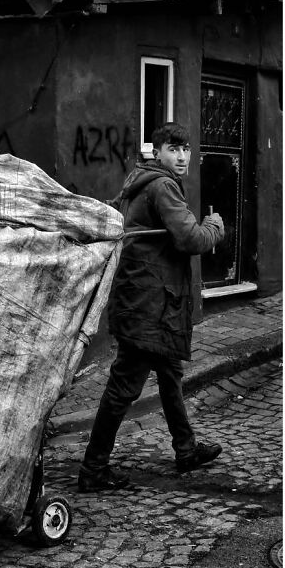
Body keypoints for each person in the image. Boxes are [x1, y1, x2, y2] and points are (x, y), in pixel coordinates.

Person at [79, 122, 225, 492]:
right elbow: (190, 238)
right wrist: (214, 228)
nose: (181, 156)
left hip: (148, 301)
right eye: (173, 149)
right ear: (156, 152)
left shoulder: (141, 182)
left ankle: (186, 449)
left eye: (185, 149)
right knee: (123, 388)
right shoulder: (162, 187)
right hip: (149, 305)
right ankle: (93, 469)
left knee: (169, 375)